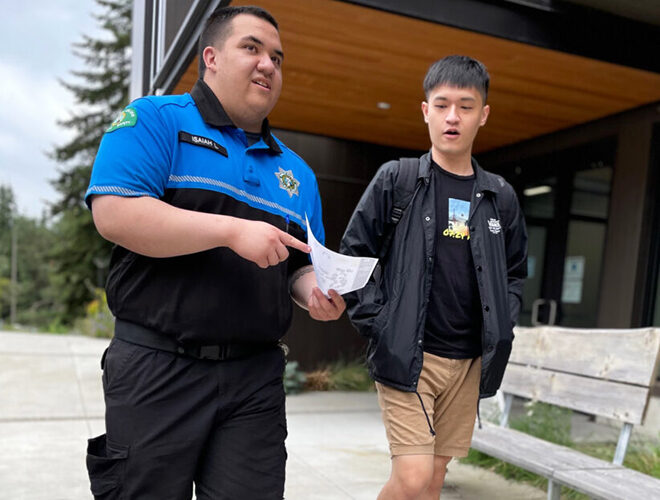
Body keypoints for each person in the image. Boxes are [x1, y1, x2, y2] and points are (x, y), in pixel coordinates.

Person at [84, 5, 345, 499]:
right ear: (211, 57)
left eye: (277, 57)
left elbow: (296, 266)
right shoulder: (154, 120)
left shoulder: (298, 174)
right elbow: (114, 214)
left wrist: (314, 291)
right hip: (157, 369)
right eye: (251, 48)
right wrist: (230, 231)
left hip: (255, 379)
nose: (268, 64)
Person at [340, 55, 527, 499]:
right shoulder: (398, 179)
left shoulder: (499, 195)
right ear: (425, 110)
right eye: (442, 104)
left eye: (465, 106)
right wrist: (379, 324)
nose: (452, 117)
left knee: (434, 480)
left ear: (483, 115)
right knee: (414, 476)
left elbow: (514, 272)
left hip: (468, 363)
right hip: (409, 354)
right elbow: (354, 254)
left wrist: (504, 323)